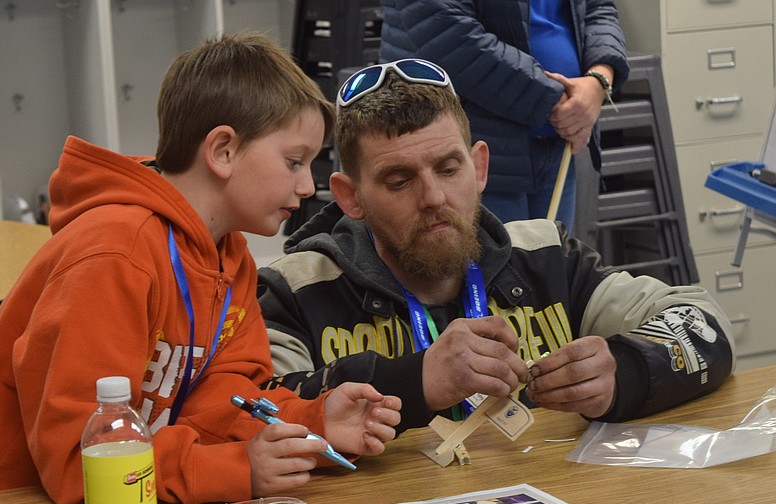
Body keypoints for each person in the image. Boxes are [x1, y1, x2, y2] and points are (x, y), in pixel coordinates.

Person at [0, 34, 402, 504]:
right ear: (222, 150)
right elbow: (80, 459)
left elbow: (222, 399)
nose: (307, 186)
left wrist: (313, 424)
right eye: (293, 162)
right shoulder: (116, 253)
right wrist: (236, 468)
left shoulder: (228, 255)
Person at [256, 59, 735, 435]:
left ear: (479, 167)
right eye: (399, 181)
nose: (434, 198)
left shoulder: (547, 256)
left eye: (449, 169)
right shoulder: (297, 290)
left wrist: (625, 371)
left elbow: (707, 325)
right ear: (350, 196)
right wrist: (417, 379)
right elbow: (249, 413)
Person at [378, 0, 630, 230]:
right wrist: (558, 101)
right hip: (470, 147)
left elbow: (598, 8)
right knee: (479, 275)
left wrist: (599, 80)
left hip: (556, 140)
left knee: (550, 269)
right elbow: (447, 34)